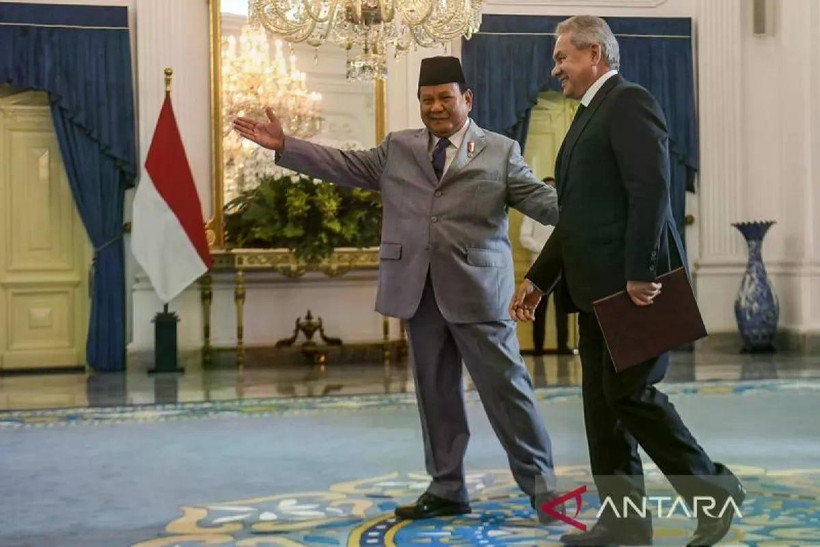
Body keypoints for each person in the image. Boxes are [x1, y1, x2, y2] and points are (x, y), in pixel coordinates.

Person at [235, 56, 564, 522]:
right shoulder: (398, 149)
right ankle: (447, 488)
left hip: (479, 294)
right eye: (427, 100)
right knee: (435, 395)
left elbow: (546, 205)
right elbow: (343, 165)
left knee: (508, 394)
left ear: (467, 99)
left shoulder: (500, 150)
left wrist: (599, 209)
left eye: (445, 98)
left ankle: (544, 492)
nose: (436, 107)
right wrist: (286, 146)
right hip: (418, 292)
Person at [510, 16, 745, 546]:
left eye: (562, 58)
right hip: (595, 292)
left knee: (630, 396)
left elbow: (651, 189)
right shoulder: (587, 117)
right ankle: (624, 521)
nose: (556, 69)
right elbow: (577, 216)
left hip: (633, 289)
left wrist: (641, 270)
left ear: (594, 53)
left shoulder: (629, 101)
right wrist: (540, 279)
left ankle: (713, 489)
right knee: (603, 408)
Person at [518, 176, 571, 355]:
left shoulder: (566, 211)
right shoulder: (532, 213)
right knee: (537, 311)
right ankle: (538, 348)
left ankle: (563, 347)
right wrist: (547, 252)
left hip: (562, 269)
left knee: (562, 311)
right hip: (540, 270)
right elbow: (524, 237)